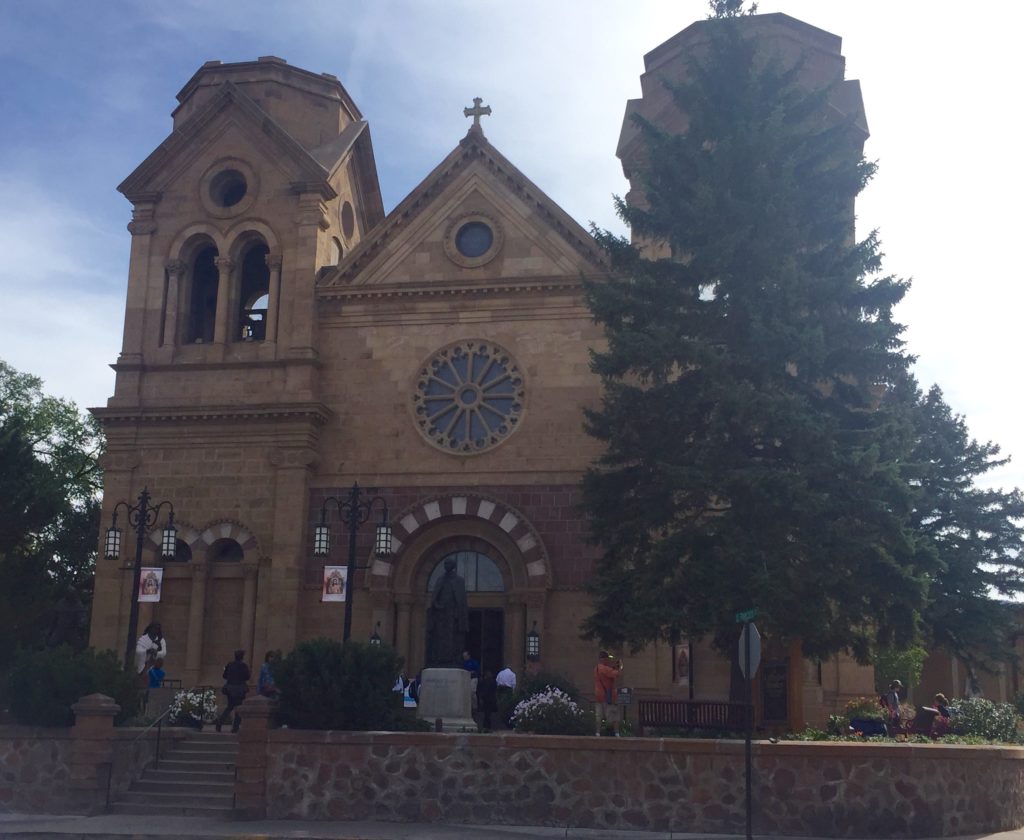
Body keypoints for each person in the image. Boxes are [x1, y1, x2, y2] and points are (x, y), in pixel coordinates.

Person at [426, 557, 469, 667]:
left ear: (453, 566)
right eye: (445, 563)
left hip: (454, 614)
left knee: (454, 638)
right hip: (441, 615)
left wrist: (459, 614)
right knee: (440, 638)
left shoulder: (459, 581)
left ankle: (454, 659)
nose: (446, 565)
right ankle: (440, 659)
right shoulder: (440, 579)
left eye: (448, 564)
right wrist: (437, 605)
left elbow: (462, 600)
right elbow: (434, 597)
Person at [216, 649, 250, 733]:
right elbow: (247, 676)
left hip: (230, 689)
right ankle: (235, 727)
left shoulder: (230, 665)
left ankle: (220, 723)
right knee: (238, 708)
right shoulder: (243, 666)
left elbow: (224, 675)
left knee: (229, 707)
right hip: (240, 689)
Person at [593, 650, 623, 737]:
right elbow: (616, 674)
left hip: (598, 695)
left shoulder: (596, 669)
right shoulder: (605, 669)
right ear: (604, 659)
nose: (609, 660)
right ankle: (616, 734)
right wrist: (620, 667)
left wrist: (613, 668)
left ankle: (597, 733)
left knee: (598, 715)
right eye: (607, 659)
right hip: (608, 696)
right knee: (614, 714)